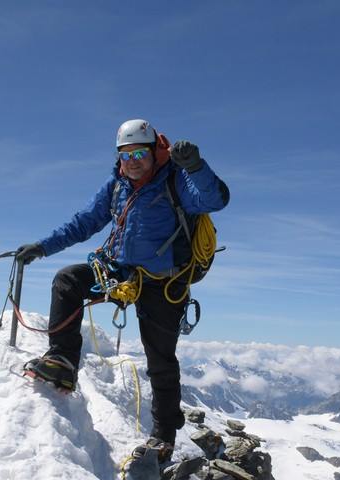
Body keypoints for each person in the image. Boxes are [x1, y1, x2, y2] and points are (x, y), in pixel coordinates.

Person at [16, 118, 229, 458]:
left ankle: (163, 434)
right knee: (68, 280)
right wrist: (43, 247)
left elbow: (214, 199)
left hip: (164, 283)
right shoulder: (117, 185)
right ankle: (62, 362)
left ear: (154, 151)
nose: (132, 162)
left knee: (159, 357)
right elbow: (84, 222)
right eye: (125, 155)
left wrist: (196, 166)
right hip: (121, 273)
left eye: (139, 154)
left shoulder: (176, 180)